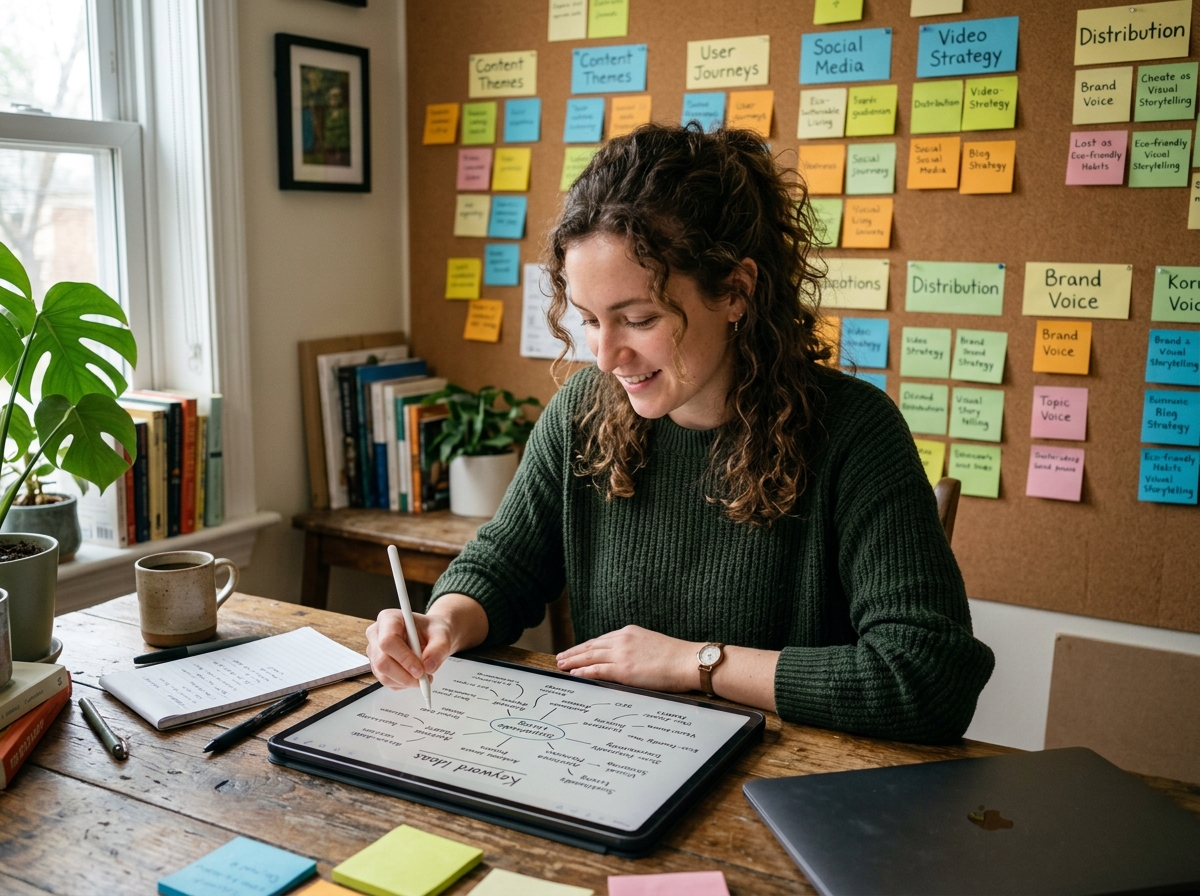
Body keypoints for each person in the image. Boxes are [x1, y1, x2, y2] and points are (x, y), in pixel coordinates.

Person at [367, 124, 994, 744]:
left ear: (735, 291)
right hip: (617, 763)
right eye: (588, 320)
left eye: (638, 319)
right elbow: (502, 568)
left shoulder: (856, 433)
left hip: (790, 790)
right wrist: (440, 622)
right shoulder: (583, 411)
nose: (608, 356)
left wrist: (697, 664)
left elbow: (928, 677)